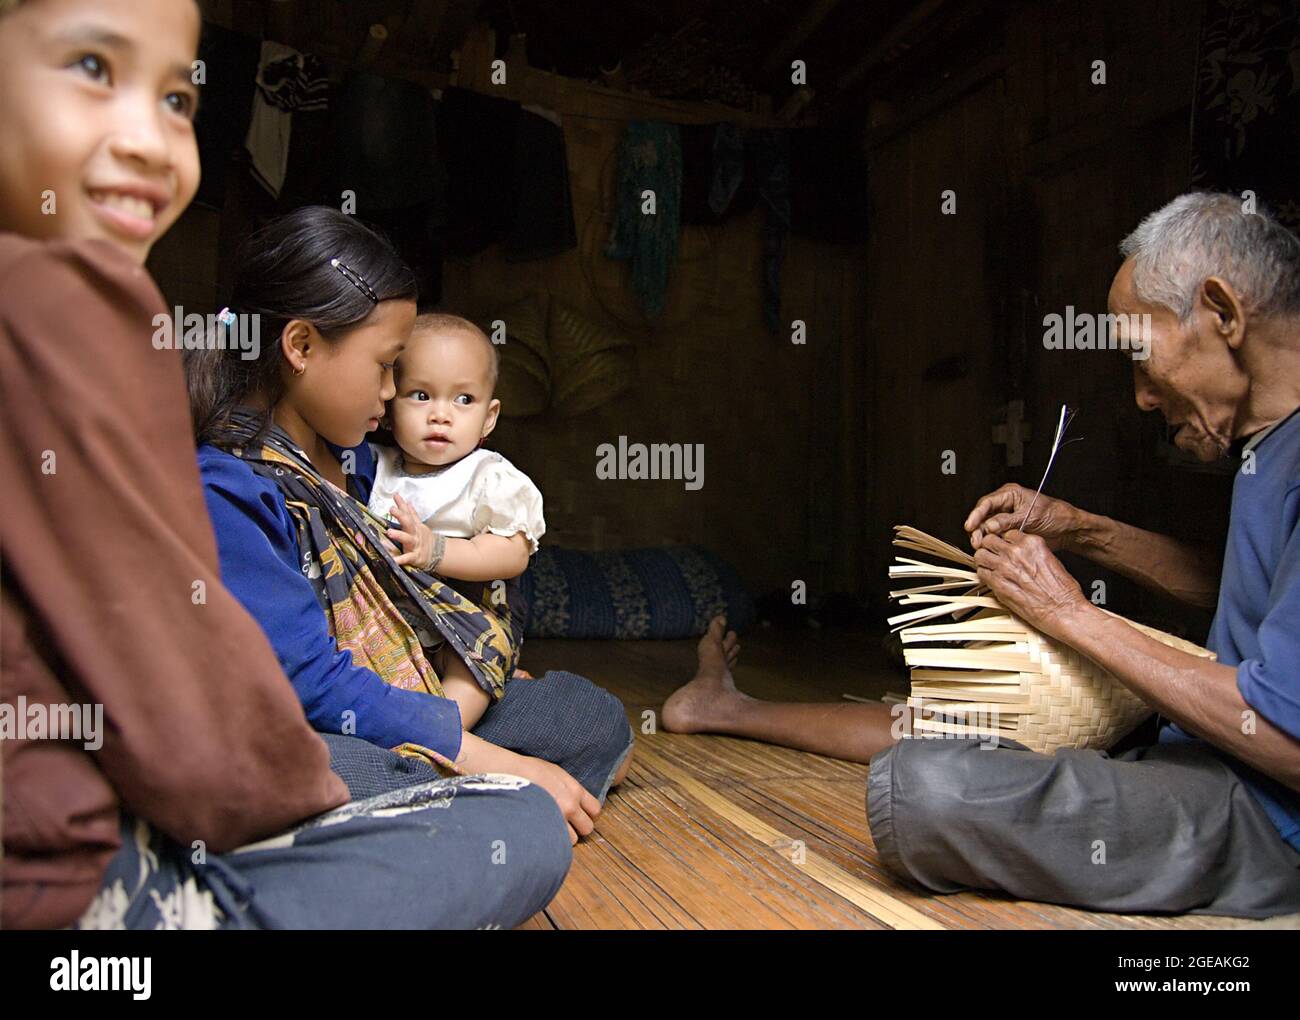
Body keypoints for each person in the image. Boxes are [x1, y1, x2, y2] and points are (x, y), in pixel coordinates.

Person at [0, 0, 571, 929]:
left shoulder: (109, 333)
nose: (151, 138)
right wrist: (409, 758)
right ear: (301, 347)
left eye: (179, 100)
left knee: (560, 736)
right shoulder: (195, 447)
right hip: (120, 875)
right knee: (517, 820)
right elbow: (255, 698)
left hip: (175, 796)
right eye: (94, 71)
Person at [665, 193, 1300, 918]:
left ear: (1223, 312)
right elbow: (1251, 586)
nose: (1143, 397)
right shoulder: (1270, 445)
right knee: (959, 715)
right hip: (1200, 750)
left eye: (1139, 356)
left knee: (920, 792)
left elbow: (1286, 737)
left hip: (1266, 815)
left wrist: (1067, 613)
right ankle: (728, 708)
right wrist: (1082, 529)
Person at [186, 206, 634, 844]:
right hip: (311, 726)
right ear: (302, 346)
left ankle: (447, 803)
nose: (395, 391)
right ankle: (465, 801)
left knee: (590, 718)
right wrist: (496, 760)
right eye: (386, 365)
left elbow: (404, 603)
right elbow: (307, 684)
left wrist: (464, 679)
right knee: (320, 771)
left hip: (404, 699)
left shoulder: (359, 460)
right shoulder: (227, 489)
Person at [368, 312, 547, 734]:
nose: (441, 415)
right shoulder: (375, 466)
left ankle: (436, 738)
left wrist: (439, 551)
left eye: (463, 400)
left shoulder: (488, 477)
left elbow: (513, 551)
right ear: (389, 406)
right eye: (420, 395)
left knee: (471, 672)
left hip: (470, 616)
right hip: (399, 620)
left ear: (489, 416)